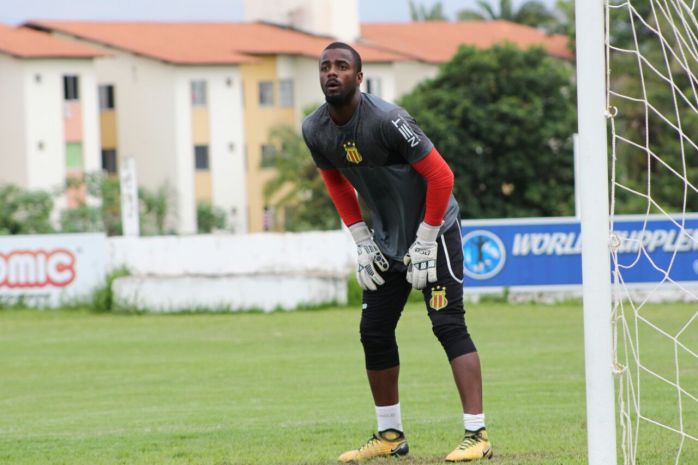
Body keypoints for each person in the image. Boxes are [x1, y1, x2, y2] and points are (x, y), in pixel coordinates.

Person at [302, 42, 492, 463]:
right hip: (385, 241)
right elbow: (336, 183)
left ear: (359, 76)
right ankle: (390, 435)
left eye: (342, 66)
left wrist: (426, 238)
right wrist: (361, 239)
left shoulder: (388, 120)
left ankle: (477, 435)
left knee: (447, 324)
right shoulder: (314, 129)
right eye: (325, 66)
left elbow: (442, 176)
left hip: (434, 231)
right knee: (373, 331)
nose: (332, 72)